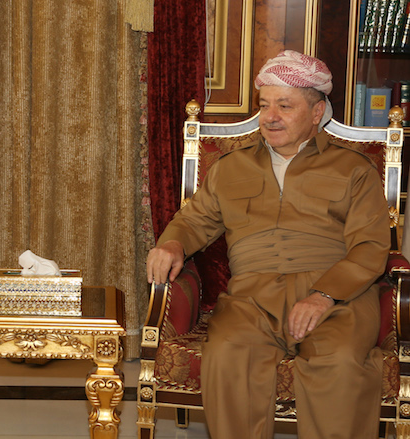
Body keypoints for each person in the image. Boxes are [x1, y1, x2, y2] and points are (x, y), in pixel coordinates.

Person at [146, 50, 389, 438]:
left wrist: (324, 296)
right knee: (228, 356)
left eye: (285, 106)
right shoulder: (230, 166)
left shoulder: (354, 170)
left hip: (336, 296)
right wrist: (173, 244)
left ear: (316, 112)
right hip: (251, 297)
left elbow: (371, 247)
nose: (270, 116)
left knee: (339, 362)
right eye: (264, 105)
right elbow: (194, 221)